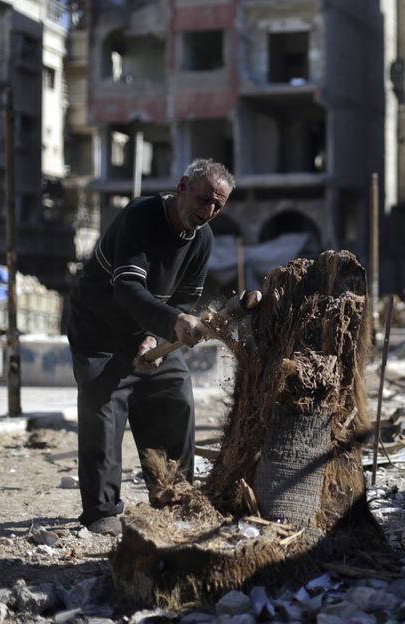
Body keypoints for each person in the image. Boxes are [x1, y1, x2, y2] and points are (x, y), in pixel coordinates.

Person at [66, 158, 234, 535]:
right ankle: (101, 510)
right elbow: (127, 287)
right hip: (99, 329)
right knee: (103, 406)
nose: (208, 211)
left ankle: (172, 496)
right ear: (182, 187)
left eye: (217, 206)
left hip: (150, 330)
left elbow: (185, 300)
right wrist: (172, 323)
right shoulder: (140, 216)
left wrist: (155, 338)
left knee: (174, 394)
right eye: (203, 199)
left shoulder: (202, 239)